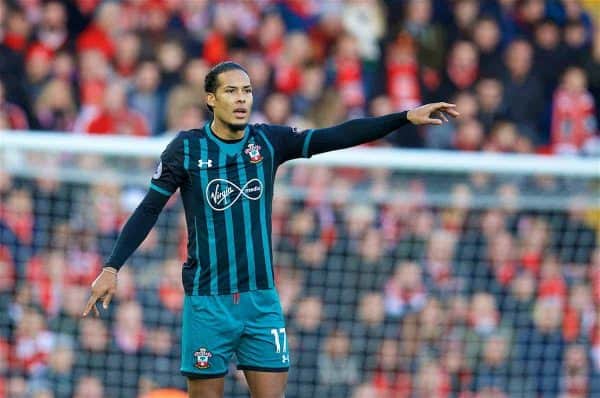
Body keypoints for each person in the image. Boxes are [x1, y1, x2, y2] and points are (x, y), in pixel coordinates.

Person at [82, 61, 459, 398]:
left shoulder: (268, 141)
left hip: (261, 301)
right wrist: (112, 266)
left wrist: (405, 117)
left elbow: (337, 135)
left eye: (247, 90)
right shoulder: (187, 149)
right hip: (207, 301)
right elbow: (148, 208)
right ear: (210, 99)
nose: (242, 98)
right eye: (231, 90)